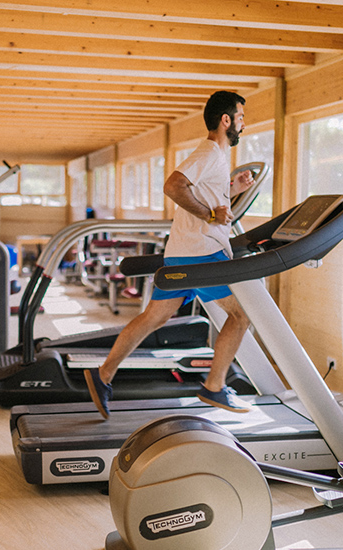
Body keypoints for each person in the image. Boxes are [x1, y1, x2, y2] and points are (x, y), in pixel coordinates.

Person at [84, 91, 255, 419]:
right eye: (241, 117)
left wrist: (233, 188)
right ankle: (215, 386)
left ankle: (103, 375)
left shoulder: (216, 158)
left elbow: (206, 194)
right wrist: (209, 216)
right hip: (204, 252)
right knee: (240, 316)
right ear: (226, 120)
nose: (243, 124)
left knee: (153, 317)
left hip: (182, 251)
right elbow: (174, 185)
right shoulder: (210, 152)